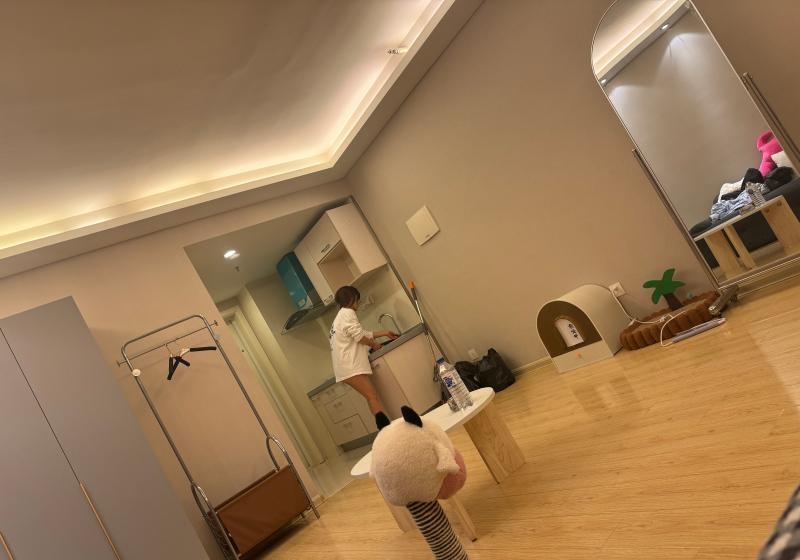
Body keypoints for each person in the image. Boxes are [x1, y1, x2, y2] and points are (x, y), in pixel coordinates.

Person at [330, 285, 398, 420]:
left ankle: (385, 427)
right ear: (353, 299)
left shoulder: (340, 316)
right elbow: (360, 337)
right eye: (358, 299)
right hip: (349, 366)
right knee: (372, 396)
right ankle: (385, 427)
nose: (359, 302)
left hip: (345, 366)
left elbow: (361, 333)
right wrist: (374, 345)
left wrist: (384, 332)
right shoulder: (348, 313)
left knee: (371, 396)